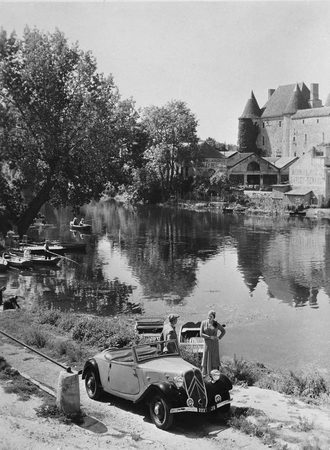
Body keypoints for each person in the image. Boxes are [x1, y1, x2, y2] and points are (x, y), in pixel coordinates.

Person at [200, 310, 226, 376]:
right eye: (208, 315)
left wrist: (219, 337)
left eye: (211, 316)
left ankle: (215, 375)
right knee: (206, 358)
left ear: (213, 317)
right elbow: (201, 334)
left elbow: (223, 331)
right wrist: (209, 337)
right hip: (207, 344)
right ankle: (205, 374)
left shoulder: (216, 324)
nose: (209, 317)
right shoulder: (203, 323)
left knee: (214, 359)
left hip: (214, 344)